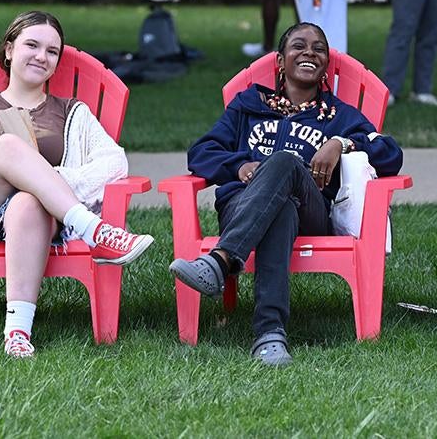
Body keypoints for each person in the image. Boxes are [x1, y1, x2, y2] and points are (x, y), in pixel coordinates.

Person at [170, 22, 403, 366]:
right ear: (280, 61)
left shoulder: (339, 117)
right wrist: (239, 167)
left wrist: (341, 142)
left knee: (286, 163)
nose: (309, 52)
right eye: (299, 46)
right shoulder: (248, 105)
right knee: (280, 211)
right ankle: (269, 336)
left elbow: (390, 153)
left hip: (312, 211)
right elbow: (201, 152)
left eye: (319, 48)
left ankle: (220, 262)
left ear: (326, 64)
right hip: (243, 205)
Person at [0, 11, 155, 358]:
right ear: (9, 50)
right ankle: (93, 229)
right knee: (7, 146)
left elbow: (113, 161)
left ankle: (17, 331)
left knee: (30, 200)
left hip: (35, 220)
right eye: (31, 45)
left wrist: (49, 180)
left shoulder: (71, 113)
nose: (41, 56)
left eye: (52, 51)